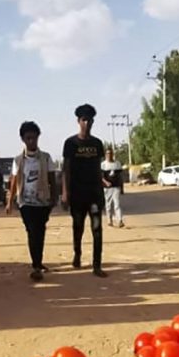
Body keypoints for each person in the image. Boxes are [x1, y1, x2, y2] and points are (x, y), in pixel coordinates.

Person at [7, 121, 59, 282]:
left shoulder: (46, 158)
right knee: (31, 231)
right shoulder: (17, 161)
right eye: (28, 138)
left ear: (38, 138)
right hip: (25, 203)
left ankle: (38, 261)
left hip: (43, 202)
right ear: (23, 139)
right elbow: (14, 182)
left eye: (34, 138)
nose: (31, 141)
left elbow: (52, 179)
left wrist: (55, 197)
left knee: (40, 231)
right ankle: (36, 266)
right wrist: (10, 201)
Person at [62, 104, 109, 278]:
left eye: (90, 120)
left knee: (97, 228)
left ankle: (97, 265)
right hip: (77, 194)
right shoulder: (70, 143)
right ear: (78, 121)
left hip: (94, 194)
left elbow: (98, 168)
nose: (87, 123)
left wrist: (102, 191)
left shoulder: (97, 144)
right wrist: (65, 193)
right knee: (78, 227)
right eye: (84, 120)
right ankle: (77, 254)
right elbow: (66, 169)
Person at [101, 147, 125, 227]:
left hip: (116, 186)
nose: (109, 155)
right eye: (107, 153)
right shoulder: (103, 165)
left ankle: (119, 220)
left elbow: (121, 176)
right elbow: (101, 176)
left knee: (117, 204)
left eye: (110, 153)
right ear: (105, 155)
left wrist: (122, 187)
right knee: (108, 205)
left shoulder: (117, 163)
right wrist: (106, 182)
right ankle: (109, 220)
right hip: (107, 188)